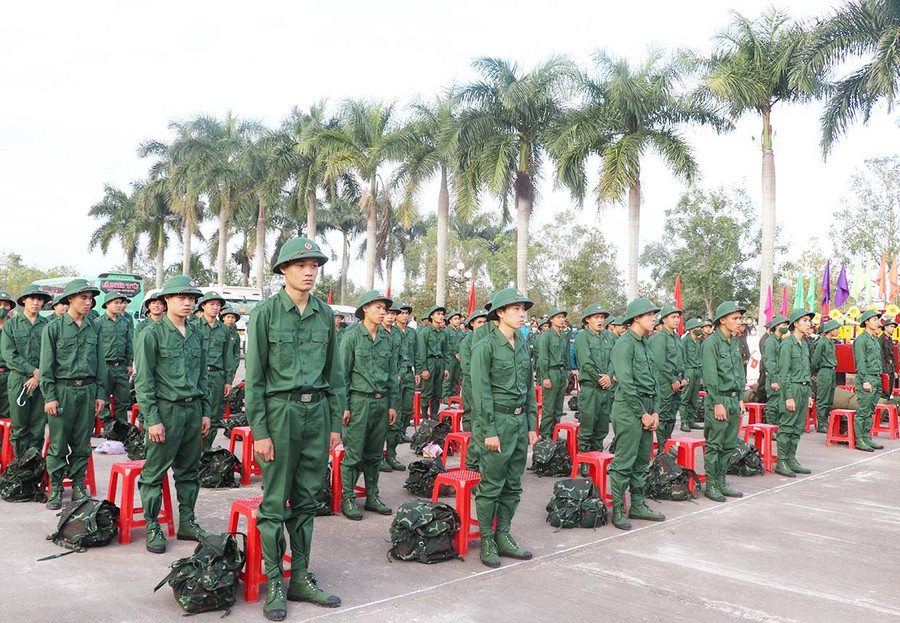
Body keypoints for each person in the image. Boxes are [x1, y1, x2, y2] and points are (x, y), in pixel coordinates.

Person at [244, 237, 345, 619]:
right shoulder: (267, 314)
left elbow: (334, 375)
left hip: (316, 414)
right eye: (301, 264)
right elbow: (254, 379)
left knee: (306, 501)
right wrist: (262, 431)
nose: (309, 271)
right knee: (274, 505)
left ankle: (300, 576)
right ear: (283, 270)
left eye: (314, 265)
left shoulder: (324, 313)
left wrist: (334, 422)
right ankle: (274, 580)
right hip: (280, 413)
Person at [134, 275, 211, 552]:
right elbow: (144, 381)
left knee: (189, 471)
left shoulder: (196, 334)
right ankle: (153, 524)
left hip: (192, 410)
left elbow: (202, 375)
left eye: (191, 298)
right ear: (166, 300)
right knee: (154, 472)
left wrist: (205, 411)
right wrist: (152, 418)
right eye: (181, 297)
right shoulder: (151, 334)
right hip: (166, 411)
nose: (188, 302)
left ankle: (187, 521)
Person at [471, 288, 539, 567]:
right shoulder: (484, 346)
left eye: (524, 309)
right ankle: (487, 539)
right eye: (515, 309)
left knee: (513, 484)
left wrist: (532, 424)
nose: (522, 314)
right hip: (495, 421)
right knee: (491, 485)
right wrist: (489, 430)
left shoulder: (522, 344)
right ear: (499, 313)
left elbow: (529, 387)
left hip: (519, 421)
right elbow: (481, 392)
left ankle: (503, 534)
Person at [39, 279, 108, 510]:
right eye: (83, 298)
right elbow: (46, 365)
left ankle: (79, 484)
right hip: (62, 390)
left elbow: (100, 363)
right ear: (70, 300)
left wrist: (100, 394)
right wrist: (49, 396)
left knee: (82, 442)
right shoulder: (54, 328)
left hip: (87, 390)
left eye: (91, 299)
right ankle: (56, 486)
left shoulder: (94, 327)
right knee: (58, 443)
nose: (88, 303)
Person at [339, 290, 399, 519]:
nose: (383, 312)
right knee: (353, 454)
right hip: (358, 401)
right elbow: (342, 375)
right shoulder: (352, 337)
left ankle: (372, 496)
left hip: (381, 402)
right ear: (365, 309)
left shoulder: (387, 339)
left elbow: (393, 375)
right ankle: (348, 498)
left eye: (384, 309)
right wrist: (344, 406)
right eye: (378, 308)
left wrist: (393, 404)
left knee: (374, 455)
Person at [608, 298, 665, 530]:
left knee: (642, 460)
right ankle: (619, 509)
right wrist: (642, 413)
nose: (654, 318)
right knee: (624, 461)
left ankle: (638, 504)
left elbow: (654, 380)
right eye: (649, 315)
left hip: (647, 408)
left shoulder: (645, 343)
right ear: (636, 318)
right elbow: (627, 383)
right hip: (629, 410)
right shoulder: (625, 345)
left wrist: (656, 411)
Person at [700, 301, 747, 502]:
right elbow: (710, 376)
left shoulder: (734, 342)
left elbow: (739, 372)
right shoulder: (711, 343)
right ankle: (711, 484)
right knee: (715, 444)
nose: (739, 322)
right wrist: (717, 402)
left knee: (729, 444)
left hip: (734, 399)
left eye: (739, 318)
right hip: (718, 401)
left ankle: (721, 481)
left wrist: (741, 398)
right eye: (734, 318)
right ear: (722, 320)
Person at [1, 284, 51, 457]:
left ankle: (33, 466)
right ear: (24, 301)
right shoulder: (12, 325)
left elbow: (53, 354)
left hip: (41, 382)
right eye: (32, 299)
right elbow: (9, 355)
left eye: (39, 299)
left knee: (38, 426)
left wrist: (38, 376)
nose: (36, 303)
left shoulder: (48, 325)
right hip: (18, 380)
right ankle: (21, 466)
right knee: (19, 427)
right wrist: (33, 371)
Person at [774, 308, 815, 477]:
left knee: (798, 427)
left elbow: (807, 369)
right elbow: (784, 374)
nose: (808, 323)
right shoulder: (787, 344)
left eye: (809, 320)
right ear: (795, 324)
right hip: (792, 389)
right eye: (804, 320)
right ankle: (781, 461)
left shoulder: (804, 344)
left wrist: (810, 394)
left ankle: (791, 458)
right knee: (787, 426)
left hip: (804, 388)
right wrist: (789, 397)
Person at [195, 291, 234, 449]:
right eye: (212, 304)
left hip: (217, 376)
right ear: (203, 306)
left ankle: (206, 450)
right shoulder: (194, 326)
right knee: (196, 415)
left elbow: (228, 357)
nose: (215, 307)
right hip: (198, 376)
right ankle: (194, 452)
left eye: (218, 305)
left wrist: (228, 381)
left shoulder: (224, 330)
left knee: (214, 416)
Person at [573, 304, 614, 455]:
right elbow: (586, 362)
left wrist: (609, 375)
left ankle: (597, 457)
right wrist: (601, 378)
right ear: (587, 320)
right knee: (587, 426)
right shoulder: (582, 337)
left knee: (602, 427)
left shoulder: (608, 337)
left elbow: (613, 359)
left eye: (602, 317)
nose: (600, 320)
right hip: (590, 389)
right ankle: (584, 458)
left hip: (605, 389)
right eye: (596, 317)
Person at [649, 305, 687, 449]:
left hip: (677, 381)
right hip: (665, 382)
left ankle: (667, 442)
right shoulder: (660, 338)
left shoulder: (677, 338)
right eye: (673, 317)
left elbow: (682, 360)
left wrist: (684, 377)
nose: (677, 320)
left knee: (672, 415)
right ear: (664, 320)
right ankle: (662, 447)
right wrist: (673, 380)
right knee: (663, 415)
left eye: (678, 317)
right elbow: (660, 362)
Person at [97, 290, 134, 425]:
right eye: (116, 303)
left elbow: (129, 344)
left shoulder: (125, 322)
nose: (119, 306)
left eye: (121, 303)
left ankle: (121, 426)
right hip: (105, 366)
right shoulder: (98, 322)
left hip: (121, 366)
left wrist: (129, 363)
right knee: (103, 398)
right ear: (107, 304)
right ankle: (107, 426)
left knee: (123, 398)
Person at [852, 309, 886, 452]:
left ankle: (866, 436)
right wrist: (865, 380)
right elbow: (860, 362)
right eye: (874, 320)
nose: (877, 322)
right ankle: (860, 439)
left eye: (877, 320)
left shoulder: (874, 340)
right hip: (867, 378)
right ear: (866, 322)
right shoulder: (861, 340)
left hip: (876, 377)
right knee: (863, 410)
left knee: (871, 410)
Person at [459, 308, 488, 471]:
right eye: (479, 322)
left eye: (485, 322)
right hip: (471, 383)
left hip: (484, 384)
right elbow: (467, 366)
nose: (483, 325)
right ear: (472, 324)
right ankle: (472, 452)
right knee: (472, 414)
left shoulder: (487, 340)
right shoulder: (467, 341)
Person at [380, 301, 407, 472]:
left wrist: (401, 373)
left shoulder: (397, 332)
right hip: (380, 383)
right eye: (387, 313)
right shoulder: (376, 330)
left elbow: (404, 357)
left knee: (394, 421)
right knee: (380, 423)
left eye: (393, 314)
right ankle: (379, 457)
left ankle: (391, 454)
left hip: (396, 383)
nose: (390, 316)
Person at [535, 307, 570, 439]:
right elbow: (543, 358)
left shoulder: (563, 336)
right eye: (558, 317)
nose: (562, 320)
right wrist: (545, 377)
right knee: (549, 408)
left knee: (558, 408)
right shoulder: (546, 336)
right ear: (551, 320)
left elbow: (566, 357)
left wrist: (567, 375)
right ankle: (545, 435)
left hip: (561, 373)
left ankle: (555, 433)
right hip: (551, 372)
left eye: (563, 317)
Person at [416, 305, 449, 419]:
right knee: (427, 392)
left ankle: (434, 417)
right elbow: (422, 352)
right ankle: (424, 418)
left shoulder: (444, 333)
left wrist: (446, 367)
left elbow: (445, 351)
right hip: (429, 362)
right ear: (431, 316)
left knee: (437, 392)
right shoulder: (425, 332)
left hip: (439, 362)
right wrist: (424, 369)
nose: (441, 316)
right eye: (438, 314)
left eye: (442, 314)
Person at [812, 319, 841, 433]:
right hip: (824, 371)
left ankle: (825, 421)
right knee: (823, 398)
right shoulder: (822, 342)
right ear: (829, 330)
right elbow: (815, 360)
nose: (838, 331)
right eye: (836, 329)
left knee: (829, 398)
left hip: (832, 371)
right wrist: (815, 373)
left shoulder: (830, 342)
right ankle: (821, 424)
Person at [395, 302, 418, 440]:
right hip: (396, 372)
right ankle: (395, 434)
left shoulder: (412, 332)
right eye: (402, 313)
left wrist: (419, 371)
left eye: (407, 313)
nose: (405, 316)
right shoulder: (392, 331)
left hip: (409, 372)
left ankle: (402, 431)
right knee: (396, 406)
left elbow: (417, 353)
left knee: (408, 406)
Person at [762, 315, 789, 425]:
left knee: (779, 403)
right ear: (776, 326)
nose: (785, 327)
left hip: (781, 376)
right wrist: (774, 380)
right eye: (783, 325)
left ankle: (776, 426)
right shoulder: (770, 342)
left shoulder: (781, 341)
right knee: (773, 403)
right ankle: (771, 426)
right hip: (774, 377)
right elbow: (769, 362)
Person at [680, 318, 705, 431]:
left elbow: (700, 358)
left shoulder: (698, 342)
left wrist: (701, 375)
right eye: (697, 328)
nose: (699, 330)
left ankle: (691, 420)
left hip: (697, 371)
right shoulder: (685, 341)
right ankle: (684, 422)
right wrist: (684, 376)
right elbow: (682, 358)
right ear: (691, 330)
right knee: (685, 398)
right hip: (689, 370)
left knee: (694, 398)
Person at [0, 291, 18, 422]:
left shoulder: (15, 326)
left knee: (6, 413)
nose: (2, 307)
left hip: (8, 374)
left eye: (6, 305)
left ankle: (3, 442)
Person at [220, 304, 242, 389]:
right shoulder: (218, 330)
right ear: (223, 318)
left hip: (229, 369)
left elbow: (236, 354)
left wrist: (233, 370)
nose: (230, 320)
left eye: (233, 318)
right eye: (228, 317)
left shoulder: (235, 335)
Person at [879, 317, 897, 399]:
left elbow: (892, 356)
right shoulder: (881, 340)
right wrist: (883, 371)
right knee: (884, 391)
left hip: (891, 368)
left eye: (894, 327)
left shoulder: (890, 339)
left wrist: (894, 370)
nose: (893, 329)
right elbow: (881, 356)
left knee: (890, 389)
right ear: (885, 327)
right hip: (885, 368)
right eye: (891, 326)